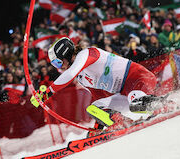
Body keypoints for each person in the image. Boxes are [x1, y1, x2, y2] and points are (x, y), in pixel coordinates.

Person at [30, 37, 163, 132]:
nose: (59, 67)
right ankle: (120, 123)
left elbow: (69, 74)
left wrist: (47, 93)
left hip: (138, 78)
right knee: (94, 108)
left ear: (65, 54)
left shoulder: (87, 53)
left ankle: (165, 105)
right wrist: (99, 123)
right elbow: (99, 96)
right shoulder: (81, 77)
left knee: (136, 102)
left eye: (58, 63)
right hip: (125, 92)